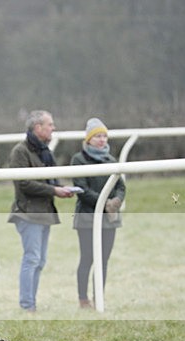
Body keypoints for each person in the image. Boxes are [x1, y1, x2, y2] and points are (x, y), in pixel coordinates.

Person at [7, 110, 75, 312]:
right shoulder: (20, 151)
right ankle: (27, 305)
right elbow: (24, 184)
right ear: (38, 128)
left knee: (40, 260)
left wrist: (60, 188)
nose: (53, 128)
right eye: (50, 124)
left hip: (44, 211)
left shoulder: (44, 151)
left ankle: (31, 303)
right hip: (28, 212)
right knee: (32, 258)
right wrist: (54, 190)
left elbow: (49, 178)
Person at [71, 118, 126, 308]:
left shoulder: (111, 160)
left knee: (103, 260)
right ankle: (83, 299)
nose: (102, 140)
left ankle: (99, 298)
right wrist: (105, 203)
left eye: (104, 136)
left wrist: (116, 202)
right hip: (87, 217)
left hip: (109, 219)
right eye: (98, 136)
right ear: (89, 139)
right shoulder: (78, 160)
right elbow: (82, 189)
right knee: (87, 258)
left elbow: (120, 186)